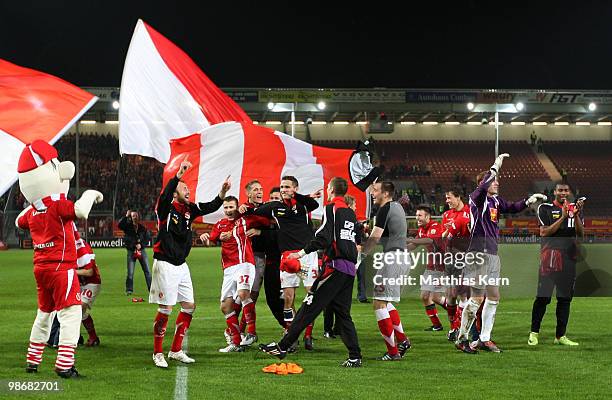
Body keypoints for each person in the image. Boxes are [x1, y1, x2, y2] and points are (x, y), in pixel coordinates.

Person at [259, 177, 363, 367]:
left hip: (335, 267)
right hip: (349, 269)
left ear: (331, 189)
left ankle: (283, 346)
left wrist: (299, 254)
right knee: (342, 313)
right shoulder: (349, 212)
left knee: (309, 305)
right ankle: (355, 356)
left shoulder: (332, 208)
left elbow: (323, 236)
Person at [455, 153, 547, 354]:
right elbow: (487, 182)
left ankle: (484, 339)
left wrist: (528, 201)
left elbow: (512, 207)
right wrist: (496, 165)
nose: (497, 183)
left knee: (494, 296)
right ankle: (462, 338)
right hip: (478, 253)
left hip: (492, 255)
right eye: (494, 181)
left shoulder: (495, 201)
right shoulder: (476, 199)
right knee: (477, 298)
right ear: (483, 183)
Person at [150, 159, 230, 368]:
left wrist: (222, 193)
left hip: (181, 265)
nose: (188, 190)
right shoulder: (165, 209)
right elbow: (165, 195)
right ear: (175, 193)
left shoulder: (189, 210)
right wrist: (177, 176)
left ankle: (175, 350)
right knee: (166, 308)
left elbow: (210, 206)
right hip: (165, 263)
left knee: (189, 306)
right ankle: (158, 353)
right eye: (184, 188)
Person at [241, 176, 321, 351]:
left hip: (307, 255)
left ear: (295, 188)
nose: (283, 189)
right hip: (287, 257)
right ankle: (291, 336)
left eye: (287, 187)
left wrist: (299, 195)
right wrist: (244, 207)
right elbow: (255, 211)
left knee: (311, 297)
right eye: (282, 187)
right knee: (288, 299)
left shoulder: (304, 205)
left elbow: (314, 205)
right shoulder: (275, 207)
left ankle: (308, 334)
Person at [201, 196, 269, 352]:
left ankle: (251, 332)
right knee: (225, 306)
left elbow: (266, 221)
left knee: (243, 293)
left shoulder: (246, 219)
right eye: (226, 207)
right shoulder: (220, 224)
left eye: (231, 207)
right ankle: (236, 342)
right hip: (228, 268)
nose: (228, 210)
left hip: (245, 263)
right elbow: (210, 240)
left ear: (237, 207)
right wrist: (208, 238)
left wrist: (258, 230)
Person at [361, 181, 411, 361]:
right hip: (400, 257)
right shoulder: (397, 207)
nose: (372, 193)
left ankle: (393, 352)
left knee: (379, 303)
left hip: (393, 259)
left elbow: (375, 237)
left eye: (375, 190)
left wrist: (361, 256)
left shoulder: (384, 209)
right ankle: (403, 341)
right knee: (386, 302)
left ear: (386, 193)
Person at [529, 183, 584, 346]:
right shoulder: (544, 209)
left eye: (566, 190)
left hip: (569, 259)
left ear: (570, 192)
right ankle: (534, 333)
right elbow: (544, 232)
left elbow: (581, 233)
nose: (563, 193)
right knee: (543, 297)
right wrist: (563, 216)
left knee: (565, 298)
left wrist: (577, 215)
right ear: (554, 192)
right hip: (550, 258)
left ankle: (560, 336)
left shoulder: (574, 210)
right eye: (560, 190)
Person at [407, 205, 446, 332]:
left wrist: (408, 239)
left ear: (428, 217)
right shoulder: (421, 230)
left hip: (442, 267)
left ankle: (457, 312)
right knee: (425, 296)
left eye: (420, 215)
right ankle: (437, 325)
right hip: (431, 268)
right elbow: (412, 246)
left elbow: (430, 240)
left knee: (435, 297)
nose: (417, 218)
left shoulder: (435, 226)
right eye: (416, 215)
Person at [441, 189, 471, 341]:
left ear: (459, 197)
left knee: (463, 294)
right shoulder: (446, 215)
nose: (447, 201)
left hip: (464, 258)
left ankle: (463, 328)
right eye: (446, 198)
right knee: (450, 296)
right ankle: (454, 327)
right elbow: (443, 237)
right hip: (449, 258)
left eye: (449, 197)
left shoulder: (469, 212)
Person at [118, 210, 152, 295]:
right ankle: (129, 290)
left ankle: (151, 289)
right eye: (133, 216)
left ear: (138, 217)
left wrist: (141, 245)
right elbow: (120, 225)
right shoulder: (127, 227)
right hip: (131, 251)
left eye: (136, 216)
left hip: (142, 251)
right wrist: (126, 216)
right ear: (130, 217)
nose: (135, 217)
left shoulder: (142, 227)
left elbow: (147, 238)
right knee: (130, 272)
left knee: (147, 271)